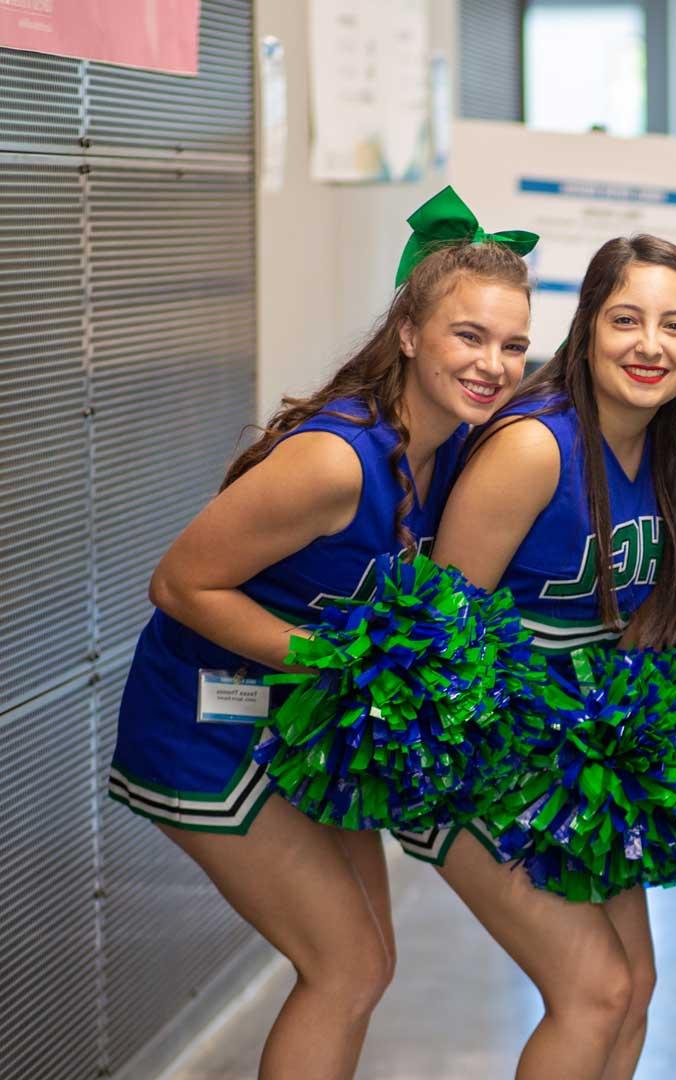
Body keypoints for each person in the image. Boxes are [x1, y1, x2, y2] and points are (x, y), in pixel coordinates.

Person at [105, 188, 533, 1080]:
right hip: (205, 726)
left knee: (367, 963)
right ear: (409, 333)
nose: (493, 363)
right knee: (343, 967)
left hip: (302, 731)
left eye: (512, 345)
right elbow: (179, 582)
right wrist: (336, 663)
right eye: (469, 336)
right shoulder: (337, 461)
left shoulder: (455, 442)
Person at [392, 233, 676, 1079]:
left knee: (636, 984)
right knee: (596, 990)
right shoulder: (538, 447)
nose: (651, 345)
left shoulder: (667, 452)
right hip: (478, 759)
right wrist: (513, 771)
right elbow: (438, 647)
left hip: (574, 763)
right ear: (586, 328)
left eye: (675, 326)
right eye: (626, 319)